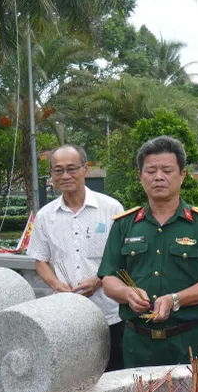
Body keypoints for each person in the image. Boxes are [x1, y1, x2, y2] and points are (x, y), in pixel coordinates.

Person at [98, 136, 198, 368]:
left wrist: (175, 300)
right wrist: (127, 293)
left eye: (167, 170)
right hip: (137, 343)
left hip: (188, 342)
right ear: (140, 176)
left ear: (182, 175)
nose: (159, 177)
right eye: (151, 171)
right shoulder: (124, 224)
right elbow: (108, 279)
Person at [28, 145, 126, 371]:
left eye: (71, 169)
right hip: (68, 315)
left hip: (110, 313)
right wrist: (56, 284)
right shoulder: (45, 216)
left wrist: (98, 280)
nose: (65, 176)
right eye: (58, 170)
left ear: (85, 169)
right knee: (74, 377)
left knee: (114, 376)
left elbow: (123, 257)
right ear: (52, 174)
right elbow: (40, 260)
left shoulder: (111, 208)